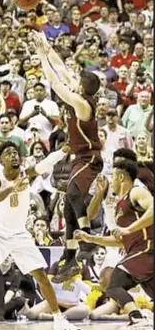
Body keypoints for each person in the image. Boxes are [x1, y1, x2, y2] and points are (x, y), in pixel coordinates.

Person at [0, 140, 77, 330]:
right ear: (1, 160)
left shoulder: (25, 174)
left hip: (19, 234)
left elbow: (44, 165)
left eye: (15, 152)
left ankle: (59, 319)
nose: (13, 155)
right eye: (8, 153)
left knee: (41, 276)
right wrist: (13, 186)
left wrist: (62, 151)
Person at [34, 32, 104, 283]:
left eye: (78, 82)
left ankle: (87, 239)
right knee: (68, 208)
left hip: (90, 158)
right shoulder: (81, 97)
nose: (74, 82)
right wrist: (47, 47)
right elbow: (63, 70)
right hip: (79, 158)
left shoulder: (83, 104)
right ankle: (71, 257)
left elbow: (55, 81)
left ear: (82, 88)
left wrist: (42, 58)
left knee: (73, 194)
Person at [75, 160, 153, 329]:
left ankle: (137, 318)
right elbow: (120, 241)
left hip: (147, 249)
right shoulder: (120, 204)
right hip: (139, 251)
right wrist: (90, 238)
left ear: (120, 177)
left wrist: (128, 229)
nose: (111, 181)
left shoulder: (136, 192)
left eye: (113, 177)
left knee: (114, 285)